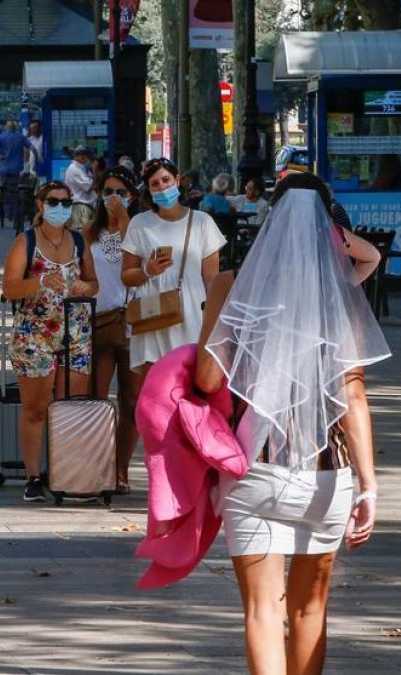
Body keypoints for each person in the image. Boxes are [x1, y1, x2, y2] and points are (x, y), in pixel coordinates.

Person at [194, 172, 386, 675]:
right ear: (328, 227)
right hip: (326, 474)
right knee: (309, 610)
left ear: (270, 218)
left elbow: (208, 379)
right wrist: (368, 487)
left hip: (253, 467)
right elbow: (353, 394)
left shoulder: (231, 285)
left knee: (262, 611)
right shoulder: (337, 292)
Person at [0, 181, 98, 502]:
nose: (60, 207)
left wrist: (86, 286)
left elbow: (93, 282)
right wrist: (39, 281)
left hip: (75, 330)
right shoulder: (26, 241)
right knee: (36, 408)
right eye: (53, 201)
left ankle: (68, 473)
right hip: (35, 333)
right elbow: (9, 288)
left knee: (71, 405)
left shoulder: (78, 241)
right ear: (40, 205)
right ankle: (33, 476)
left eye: (66, 202)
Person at [120, 158, 225, 378]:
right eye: (155, 183)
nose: (162, 187)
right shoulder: (139, 223)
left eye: (166, 180)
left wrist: (216, 321)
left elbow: (212, 279)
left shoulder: (202, 222)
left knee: (189, 378)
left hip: (192, 310)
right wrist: (147, 270)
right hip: (151, 311)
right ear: (149, 190)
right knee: (154, 382)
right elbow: (127, 276)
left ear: (177, 180)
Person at [85, 166, 140, 494]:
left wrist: (124, 218)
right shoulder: (90, 232)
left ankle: (121, 469)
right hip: (101, 321)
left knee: (132, 402)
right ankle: (98, 467)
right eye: (108, 192)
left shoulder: (140, 229)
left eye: (121, 192)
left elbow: (137, 256)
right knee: (97, 398)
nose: (114, 198)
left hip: (135, 323)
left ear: (132, 196)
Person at [0, 120, 30, 221]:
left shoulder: (2, 137)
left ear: (6, 127)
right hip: (17, 169)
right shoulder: (20, 137)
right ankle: (14, 213)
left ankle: (1, 209)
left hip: (5, 169)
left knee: (2, 188)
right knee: (15, 190)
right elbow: (30, 148)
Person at [64, 145, 97, 231]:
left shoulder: (82, 168)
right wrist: (95, 171)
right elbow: (90, 187)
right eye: (82, 155)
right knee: (82, 234)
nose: (86, 158)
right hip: (80, 207)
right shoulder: (75, 169)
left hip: (84, 207)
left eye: (87, 156)